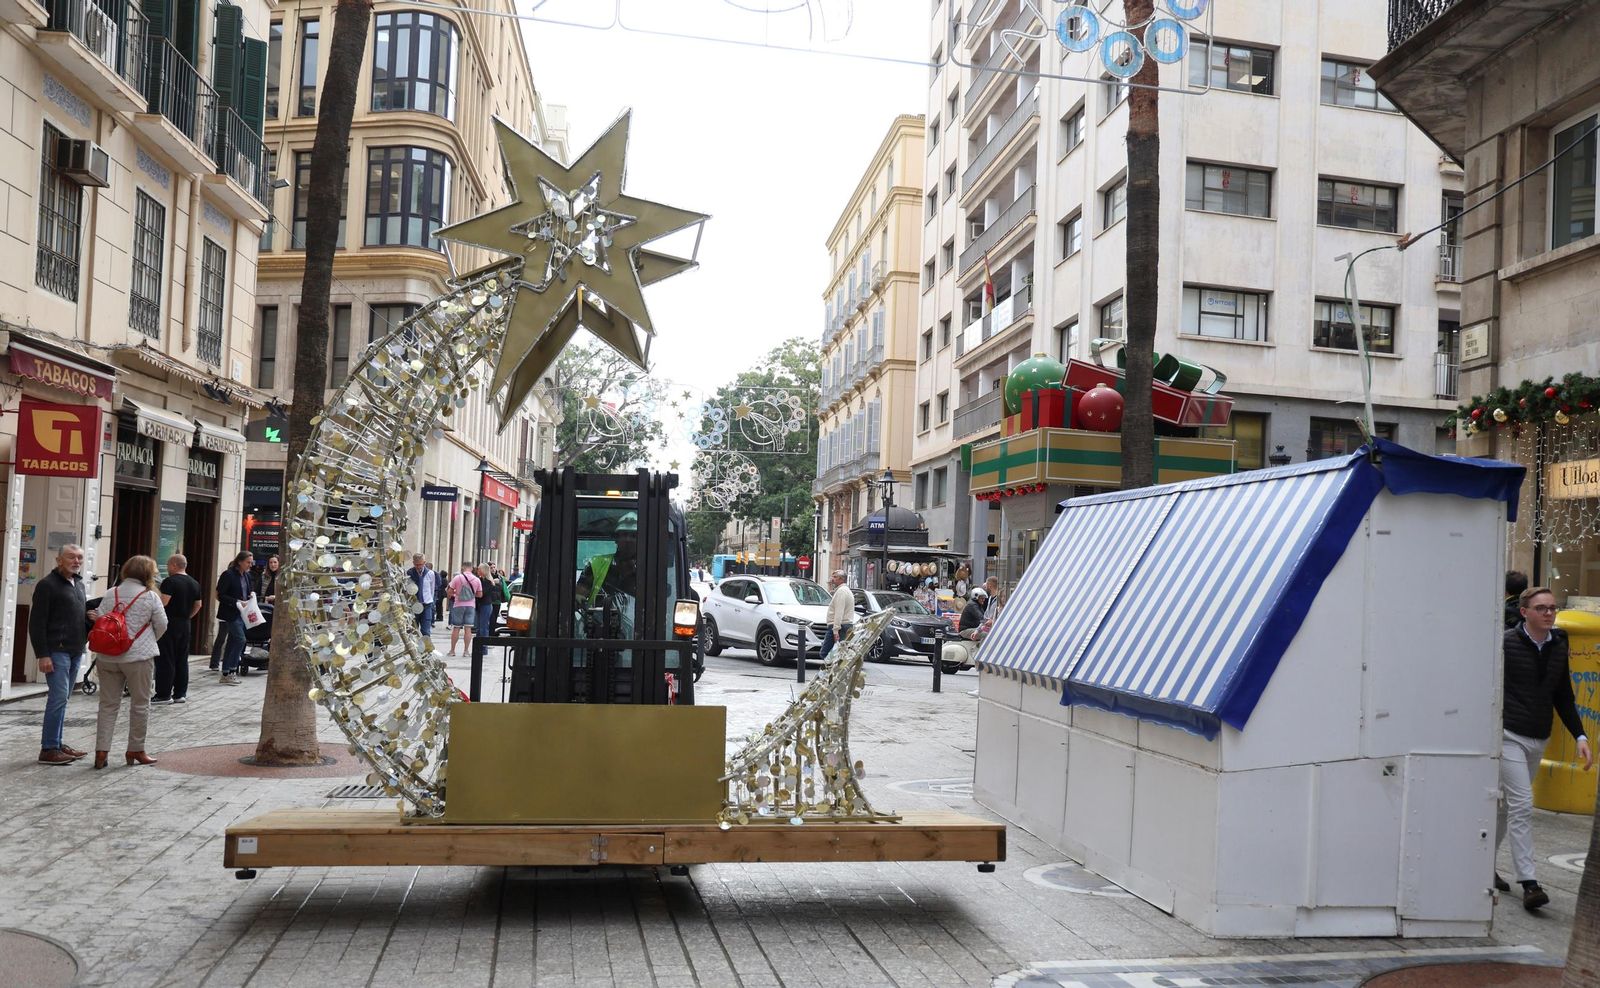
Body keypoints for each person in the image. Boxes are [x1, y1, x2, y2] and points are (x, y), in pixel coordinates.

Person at [1496, 586, 1592, 910]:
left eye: (1552, 608)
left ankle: (1482, 866)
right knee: (1523, 805)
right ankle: (1529, 883)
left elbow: (1563, 695)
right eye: (1541, 608)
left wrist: (1581, 736)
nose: (1549, 613)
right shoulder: (1506, 643)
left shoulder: (1559, 645)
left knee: (1507, 807)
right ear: (1524, 612)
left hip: (1539, 737)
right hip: (1509, 735)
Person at [90, 555, 168, 769]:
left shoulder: (111, 593)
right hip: (138, 658)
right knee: (140, 704)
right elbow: (162, 624)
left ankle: (101, 751)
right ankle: (136, 749)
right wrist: (148, 640)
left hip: (107, 657)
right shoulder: (150, 596)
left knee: (107, 704)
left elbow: (100, 620)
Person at [30, 544, 94, 765]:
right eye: (71, 557)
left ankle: (56, 743)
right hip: (56, 650)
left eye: (80, 558)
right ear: (59, 560)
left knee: (63, 699)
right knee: (57, 698)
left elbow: (75, 617)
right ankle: (48, 749)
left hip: (76, 649)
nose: (76, 561)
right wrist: (42, 654)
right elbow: (36, 623)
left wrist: (90, 619)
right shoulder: (47, 585)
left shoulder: (79, 584)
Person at [153, 554, 203, 704]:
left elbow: (163, 603)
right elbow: (198, 605)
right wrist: (187, 616)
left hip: (169, 624)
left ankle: (163, 694)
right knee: (182, 659)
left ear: (174, 565)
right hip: (185, 624)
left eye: (168, 565)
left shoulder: (170, 581)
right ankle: (180, 693)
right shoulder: (194, 583)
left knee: (166, 658)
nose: (168, 568)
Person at [214, 551, 253, 685]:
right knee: (240, 639)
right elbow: (220, 595)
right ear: (240, 562)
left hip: (243, 613)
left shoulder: (247, 576)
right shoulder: (228, 575)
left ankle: (226, 673)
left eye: (251, 562)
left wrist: (251, 595)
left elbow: (247, 591)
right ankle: (231, 670)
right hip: (230, 613)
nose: (250, 565)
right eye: (248, 562)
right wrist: (236, 601)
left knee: (232, 641)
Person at [447, 561, 482, 656]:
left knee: (456, 628)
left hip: (458, 605)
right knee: (468, 628)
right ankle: (466, 651)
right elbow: (480, 594)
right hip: (471, 605)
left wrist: (454, 595)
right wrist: (471, 594)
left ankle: (452, 651)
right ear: (471, 568)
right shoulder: (477, 579)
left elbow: (449, 591)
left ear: (463, 567)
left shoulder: (457, 578)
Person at [821, 569, 855, 659]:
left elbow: (839, 611)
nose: (832, 579)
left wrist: (835, 630)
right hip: (844, 625)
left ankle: (831, 667)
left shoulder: (841, 592)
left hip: (839, 626)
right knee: (840, 653)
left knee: (825, 653)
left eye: (835, 577)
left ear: (841, 579)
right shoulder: (844, 590)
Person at [406, 554, 439, 636]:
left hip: (426, 604)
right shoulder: (409, 573)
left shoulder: (430, 573)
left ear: (424, 563)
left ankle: (426, 643)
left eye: (420, 564)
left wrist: (432, 601)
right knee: (413, 630)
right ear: (413, 563)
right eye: (416, 564)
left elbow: (432, 589)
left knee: (426, 630)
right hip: (413, 604)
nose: (418, 567)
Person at [474, 564, 498, 642]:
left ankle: (484, 646)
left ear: (483, 570)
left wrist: (474, 593)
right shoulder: (480, 580)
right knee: (478, 627)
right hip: (479, 604)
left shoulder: (488, 582)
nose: (477, 571)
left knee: (483, 627)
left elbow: (482, 593)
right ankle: (478, 645)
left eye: (479, 569)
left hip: (485, 605)